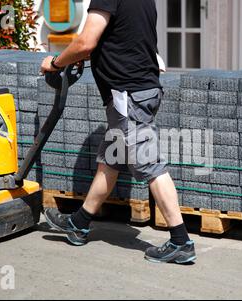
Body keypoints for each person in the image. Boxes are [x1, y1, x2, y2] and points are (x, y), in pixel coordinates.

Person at [40, 0, 196, 264]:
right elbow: (124, 37)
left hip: (129, 96)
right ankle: (79, 224)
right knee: (110, 161)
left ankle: (181, 242)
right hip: (140, 89)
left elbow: (86, 41)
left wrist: (55, 62)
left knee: (150, 165)